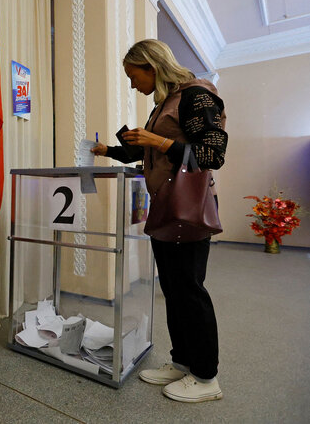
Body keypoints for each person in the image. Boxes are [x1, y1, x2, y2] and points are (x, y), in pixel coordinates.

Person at [91, 39, 227, 403]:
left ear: (151, 66)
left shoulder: (197, 95)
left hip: (188, 209)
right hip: (165, 207)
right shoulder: (165, 103)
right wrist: (110, 150)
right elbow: (151, 150)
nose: (133, 85)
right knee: (172, 289)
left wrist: (158, 141)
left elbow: (212, 153)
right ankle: (182, 361)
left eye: (134, 77)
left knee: (189, 289)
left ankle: (206, 377)